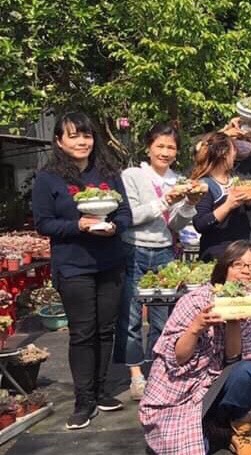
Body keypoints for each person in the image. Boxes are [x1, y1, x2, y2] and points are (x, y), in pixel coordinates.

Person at [32, 112, 132, 429]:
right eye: (73, 135)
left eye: (86, 135)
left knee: (106, 329)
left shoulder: (108, 173)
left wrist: (114, 227)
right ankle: (83, 399)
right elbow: (43, 223)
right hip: (74, 265)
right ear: (59, 140)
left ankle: (102, 391)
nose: (81, 141)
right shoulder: (48, 178)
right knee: (83, 332)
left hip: (110, 261)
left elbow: (126, 214)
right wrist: (78, 225)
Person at [140, 240, 251, 455]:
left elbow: (234, 362)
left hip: (217, 384)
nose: (246, 272)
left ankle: (234, 430)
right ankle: (212, 429)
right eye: (238, 265)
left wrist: (234, 323)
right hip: (182, 388)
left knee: (250, 371)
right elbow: (176, 359)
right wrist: (196, 327)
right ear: (224, 269)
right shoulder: (194, 301)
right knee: (192, 449)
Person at [117, 123, 200, 401]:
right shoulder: (133, 175)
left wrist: (189, 203)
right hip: (133, 249)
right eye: (160, 146)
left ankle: (157, 371)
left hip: (165, 251)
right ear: (148, 147)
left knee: (162, 318)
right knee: (130, 316)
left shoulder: (178, 179)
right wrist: (165, 200)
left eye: (171, 147)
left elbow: (175, 224)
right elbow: (131, 216)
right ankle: (136, 376)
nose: (165, 152)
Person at [192, 132, 251, 261]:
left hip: (240, 251)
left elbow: (242, 212)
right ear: (224, 154)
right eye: (234, 150)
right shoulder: (204, 185)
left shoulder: (235, 179)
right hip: (217, 255)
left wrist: (249, 203)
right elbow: (200, 224)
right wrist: (228, 205)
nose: (235, 154)